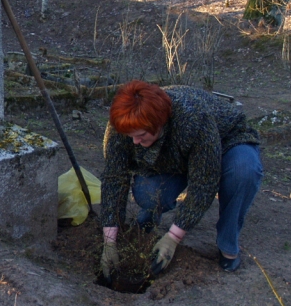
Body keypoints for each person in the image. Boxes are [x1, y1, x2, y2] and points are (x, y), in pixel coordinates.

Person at [99, 80, 262, 280]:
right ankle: (149, 216)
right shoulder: (122, 123)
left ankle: (227, 244)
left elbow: (203, 184)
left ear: (158, 123)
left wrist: (173, 237)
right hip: (174, 154)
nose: (135, 142)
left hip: (225, 140)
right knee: (147, 192)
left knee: (243, 171)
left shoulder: (193, 118)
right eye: (130, 136)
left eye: (141, 135)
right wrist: (109, 242)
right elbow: (114, 179)